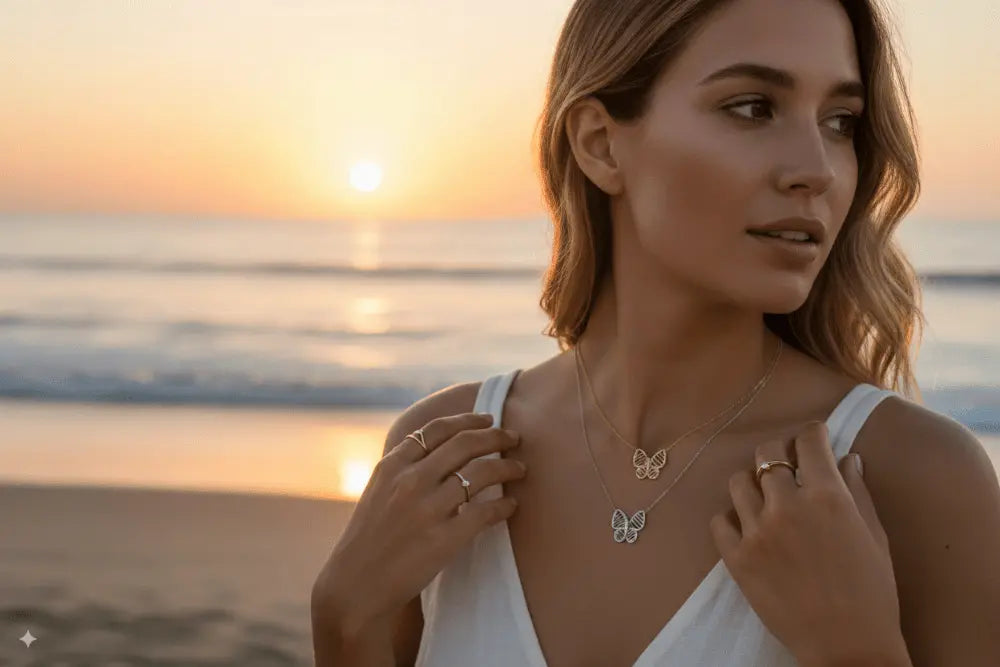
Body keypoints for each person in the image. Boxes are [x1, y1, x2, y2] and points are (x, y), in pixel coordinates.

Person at [311, 0, 1000, 664]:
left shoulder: (915, 480)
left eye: (841, 121)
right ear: (600, 143)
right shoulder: (442, 459)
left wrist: (858, 655)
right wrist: (343, 624)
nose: (816, 170)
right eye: (753, 107)